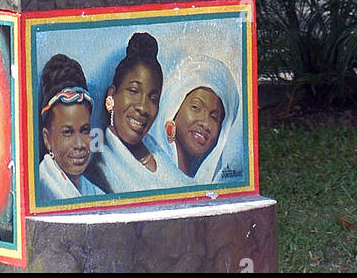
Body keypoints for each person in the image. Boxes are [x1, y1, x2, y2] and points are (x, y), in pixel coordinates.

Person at [87, 32, 185, 193]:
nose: (143, 107)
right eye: (133, 91)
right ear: (112, 95)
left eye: (153, 99)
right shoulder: (99, 171)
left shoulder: (157, 150)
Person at [155, 55, 242, 183]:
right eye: (196, 107)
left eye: (214, 117)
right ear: (173, 109)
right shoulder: (147, 172)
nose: (206, 123)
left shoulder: (215, 182)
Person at [37, 53, 103, 202]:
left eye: (85, 130)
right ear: (47, 139)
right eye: (67, 132)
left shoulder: (92, 191)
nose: (79, 144)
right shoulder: (44, 188)